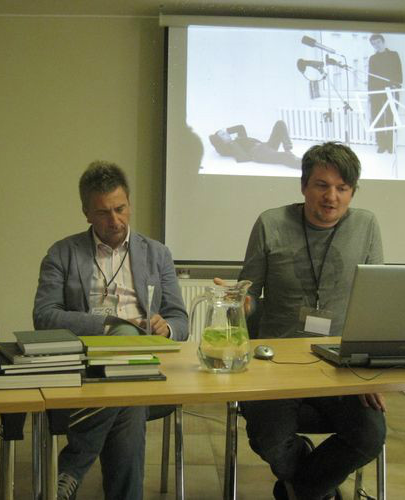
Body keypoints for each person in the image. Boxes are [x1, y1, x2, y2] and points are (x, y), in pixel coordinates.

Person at [238, 142, 386, 500]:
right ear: (304, 186)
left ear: (352, 192)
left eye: (342, 188)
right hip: (276, 365)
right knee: (269, 439)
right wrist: (235, 301)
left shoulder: (366, 225)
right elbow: (248, 294)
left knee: (370, 434)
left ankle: (298, 490)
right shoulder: (271, 223)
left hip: (341, 365)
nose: (331, 197)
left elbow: (374, 302)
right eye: (321, 185)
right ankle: (314, 481)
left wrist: (369, 369)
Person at [33, 160, 188, 500]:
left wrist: (166, 328)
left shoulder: (157, 254)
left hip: (146, 361)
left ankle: (70, 470)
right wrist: (110, 326)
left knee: (130, 380)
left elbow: (180, 319)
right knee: (130, 399)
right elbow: (44, 316)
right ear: (86, 212)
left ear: (129, 204)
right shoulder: (62, 253)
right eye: (103, 212)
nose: (115, 221)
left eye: (120, 209)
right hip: (83, 363)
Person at [209, 120, 300, 167]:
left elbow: (241, 127)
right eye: (223, 135)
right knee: (285, 156)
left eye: (225, 133)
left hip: (266, 145)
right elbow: (244, 158)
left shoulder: (238, 139)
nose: (226, 134)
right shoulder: (230, 147)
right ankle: (304, 165)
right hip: (259, 153)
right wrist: (230, 142)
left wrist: (226, 130)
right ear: (221, 141)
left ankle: (288, 149)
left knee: (280, 123)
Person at [367, 34, 402, 154]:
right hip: (377, 92)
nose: (376, 45)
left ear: (383, 42)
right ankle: (381, 145)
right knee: (378, 118)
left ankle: (391, 145)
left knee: (392, 117)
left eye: (378, 42)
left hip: (392, 90)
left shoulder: (394, 55)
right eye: (374, 44)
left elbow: (399, 72)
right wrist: (370, 93)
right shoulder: (372, 58)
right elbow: (370, 77)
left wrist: (396, 84)